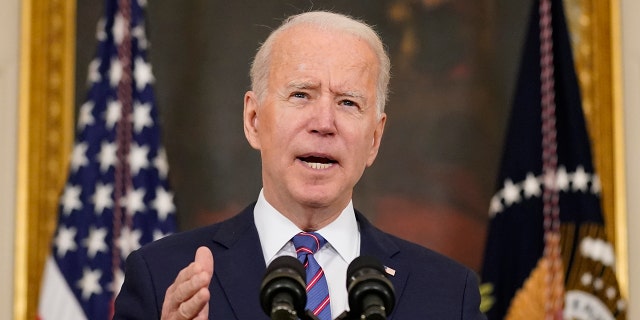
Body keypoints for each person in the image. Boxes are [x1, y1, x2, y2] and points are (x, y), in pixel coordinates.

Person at [114, 10, 486, 320]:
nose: (324, 123)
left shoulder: (449, 295)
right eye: (301, 95)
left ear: (374, 138)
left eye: (348, 103)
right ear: (254, 119)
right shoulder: (161, 276)